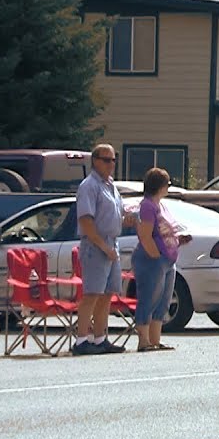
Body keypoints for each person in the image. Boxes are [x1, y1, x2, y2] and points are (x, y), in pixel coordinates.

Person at [73, 144, 134, 355]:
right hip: (96, 244)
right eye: (106, 160)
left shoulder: (111, 186)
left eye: (114, 159)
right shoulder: (89, 186)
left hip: (112, 242)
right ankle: (81, 340)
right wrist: (103, 246)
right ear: (95, 161)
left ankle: (100, 338)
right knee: (92, 293)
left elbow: (118, 216)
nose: (111, 164)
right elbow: (87, 221)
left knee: (107, 294)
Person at [133, 168, 188, 352]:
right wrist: (155, 254)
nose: (169, 187)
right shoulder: (147, 206)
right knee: (149, 298)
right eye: (167, 183)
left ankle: (155, 340)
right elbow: (145, 234)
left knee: (163, 301)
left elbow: (164, 232)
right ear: (159, 186)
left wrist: (178, 240)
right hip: (152, 260)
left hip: (168, 260)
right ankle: (143, 341)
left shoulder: (161, 205)